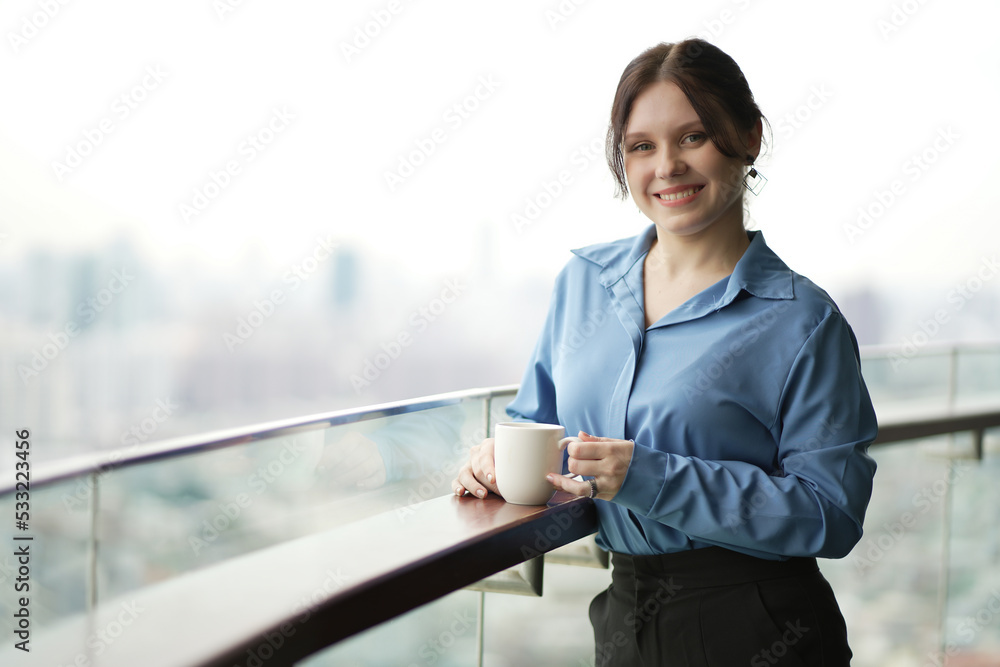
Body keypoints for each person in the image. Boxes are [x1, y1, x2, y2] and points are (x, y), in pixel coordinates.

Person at [453, 37, 877, 665]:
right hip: (623, 611)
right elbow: (537, 423)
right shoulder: (584, 285)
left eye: (694, 137)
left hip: (758, 624)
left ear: (750, 137)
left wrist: (648, 476)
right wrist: (494, 460)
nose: (667, 167)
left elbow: (831, 513)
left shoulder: (803, 322)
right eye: (642, 147)